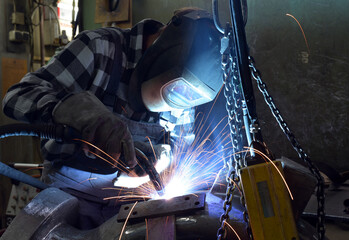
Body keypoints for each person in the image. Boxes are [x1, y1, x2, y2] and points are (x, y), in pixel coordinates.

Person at [2, 7, 222, 229]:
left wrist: (164, 158)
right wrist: (75, 111)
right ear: (164, 52)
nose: (173, 102)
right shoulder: (100, 48)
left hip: (130, 211)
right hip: (67, 202)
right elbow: (17, 96)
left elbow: (180, 150)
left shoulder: (185, 93)